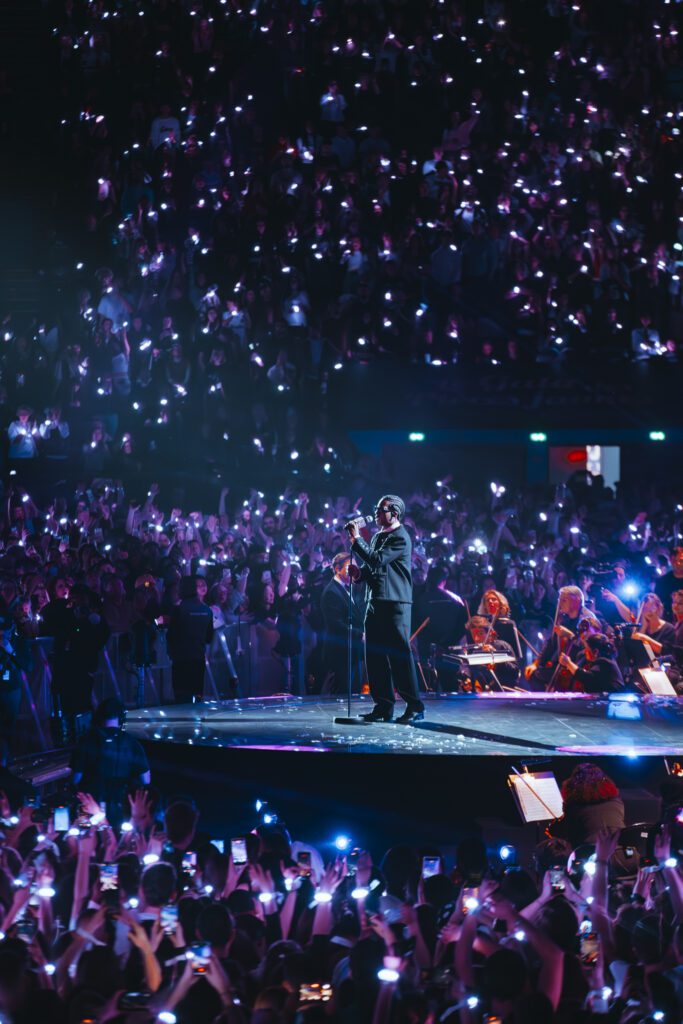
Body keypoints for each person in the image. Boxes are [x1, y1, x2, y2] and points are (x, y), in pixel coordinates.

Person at [346, 495, 425, 724]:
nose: (377, 514)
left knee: (399, 656)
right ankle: (383, 705)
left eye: (382, 510)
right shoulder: (380, 535)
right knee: (375, 656)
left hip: (395, 604)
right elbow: (374, 568)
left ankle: (414, 705)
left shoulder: (400, 537)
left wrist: (356, 540)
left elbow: (378, 559)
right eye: (377, 509)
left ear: (395, 513)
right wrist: (360, 575)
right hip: (376, 601)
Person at [70, 697, 150, 828]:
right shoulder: (133, 743)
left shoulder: (85, 741)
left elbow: (75, 779)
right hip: (122, 808)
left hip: (88, 807)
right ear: (122, 718)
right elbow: (146, 781)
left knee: (84, 834)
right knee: (121, 839)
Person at [319, 552, 365, 695]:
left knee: (354, 691)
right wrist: (360, 635)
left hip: (352, 651)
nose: (353, 571)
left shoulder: (349, 588)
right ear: (337, 569)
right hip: (341, 653)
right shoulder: (332, 592)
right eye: (349, 567)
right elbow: (336, 626)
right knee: (341, 694)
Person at [167, 575, 214, 704]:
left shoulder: (179, 609)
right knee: (197, 693)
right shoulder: (207, 610)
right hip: (198, 657)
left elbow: (172, 635)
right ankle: (197, 720)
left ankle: (183, 721)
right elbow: (209, 637)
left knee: (182, 696)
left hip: (181, 659)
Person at [558, 632, 625, 693]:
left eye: (587, 649)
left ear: (596, 651)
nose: (584, 651)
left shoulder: (604, 662)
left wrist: (568, 663)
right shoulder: (607, 660)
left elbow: (586, 677)